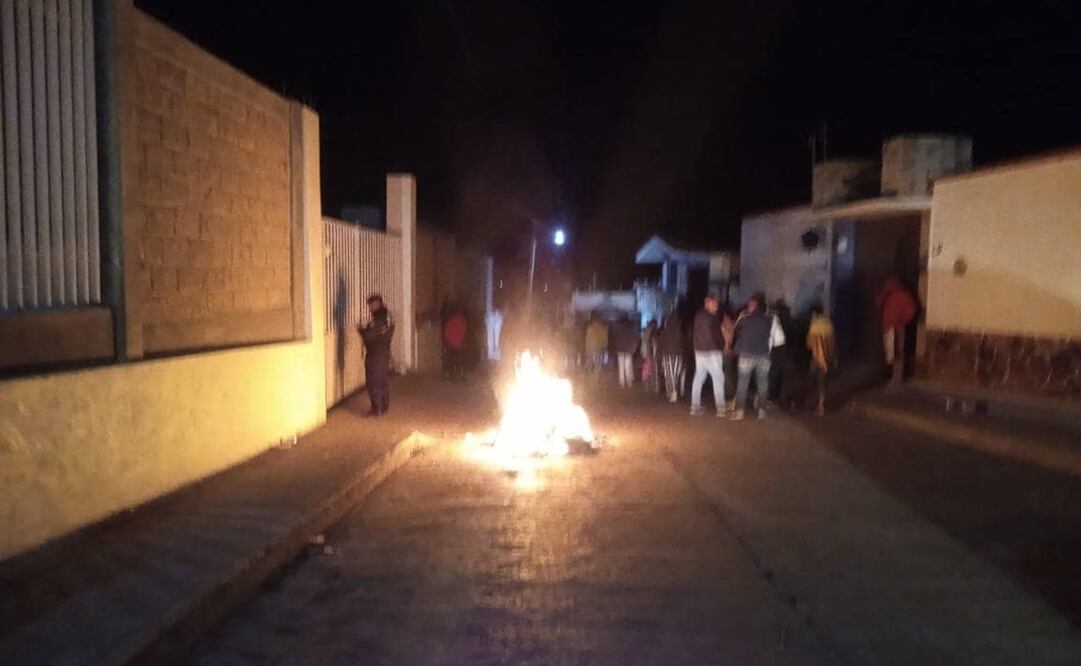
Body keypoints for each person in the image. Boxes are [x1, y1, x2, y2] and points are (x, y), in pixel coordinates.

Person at [730, 293, 785, 420]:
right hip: (763, 356)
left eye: (750, 304)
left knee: (742, 383)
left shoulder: (743, 317)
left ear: (755, 306)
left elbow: (736, 333)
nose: (748, 306)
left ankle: (739, 412)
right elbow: (780, 341)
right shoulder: (772, 319)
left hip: (745, 355)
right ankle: (761, 411)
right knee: (763, 384)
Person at [876, 276, 917, 384]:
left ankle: (897, 377)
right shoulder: (887, 295)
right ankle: (893, 375)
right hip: (888, 327)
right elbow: (878, 304)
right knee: (891, 353)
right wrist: (885, 292)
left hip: (897, 328)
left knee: (898, 352)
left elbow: (911, 311)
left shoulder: (903, 295)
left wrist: (901, 321)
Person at [690, 294, 726, 416]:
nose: (716, 307)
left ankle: (694, 407)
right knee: (718, 378)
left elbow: (694, 334)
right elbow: (717, 336)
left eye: (717, 305)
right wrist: (722, 346)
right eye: (714, 304)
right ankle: (720, 408)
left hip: (699, 351)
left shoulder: (697, 317)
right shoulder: (712, 318)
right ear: (707, 303)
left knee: (699, 377)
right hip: (712, 352)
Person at [359, 293, 395, 416]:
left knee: (374, 382)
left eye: (371, 305)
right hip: (384, 353)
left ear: (377, 304)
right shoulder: (387, 317)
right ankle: (384, 406)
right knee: (383, 381)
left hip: (375, 354)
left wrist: (362, 331)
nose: (370, 308)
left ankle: (377, 409)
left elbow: (370, 337)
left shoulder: (378, 319)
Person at [806, 304, 836, 416]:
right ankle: (821, 405)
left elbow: (810, 344)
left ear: (814, 314)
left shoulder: (814, 324)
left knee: (812, 378)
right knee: (822, 380)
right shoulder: (828, 322)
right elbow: (833, 341)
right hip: (828, 356)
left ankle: (811, 403)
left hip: (817, 356)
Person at [658, 312, 685, 403]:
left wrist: (660, 355)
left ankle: (672, 392)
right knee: (675, 375)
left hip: (667, 356)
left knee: (669, 374)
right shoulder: (680, 332)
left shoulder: (665, 332)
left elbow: (661, 344)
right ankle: (672, 391)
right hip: (678, 355)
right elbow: (683, 344)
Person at [612, 315, 639, 388]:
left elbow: (615, 339)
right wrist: (634, 348)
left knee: (621, 366)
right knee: (628, 366)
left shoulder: (618, 329)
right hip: (628, 350)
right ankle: (629, 381)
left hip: (620, 349)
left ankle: (622, 382)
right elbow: (635, 339)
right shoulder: (631, 329)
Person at [442, 308, 468, 381]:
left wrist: (448, 340)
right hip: (459, 343)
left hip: (451, 343)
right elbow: (464, 332)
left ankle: (452, 375)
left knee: (452, 359)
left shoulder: (451, 321)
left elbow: (446, 331)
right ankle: (461, 374)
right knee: (460, 360)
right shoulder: (462, 321)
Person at [641, 319, 659, 392]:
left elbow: (644, 341)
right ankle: (648, 382)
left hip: (646, 351)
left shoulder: (646, 331)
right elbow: (650, 342)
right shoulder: (652, 331)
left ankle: (646, 381)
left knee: (647, 366)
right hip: (649, 351)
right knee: (649, 366)